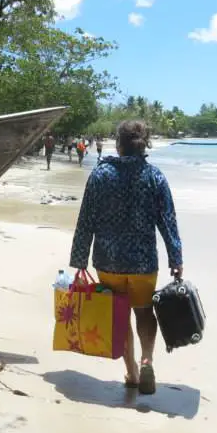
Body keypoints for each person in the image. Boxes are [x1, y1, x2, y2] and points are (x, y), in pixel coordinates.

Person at [69, 120, 183, 395]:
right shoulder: (154, 176)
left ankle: (131, 371)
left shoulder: (100, 175)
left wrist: (80, 258)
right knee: (143, 311)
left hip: (108, 260)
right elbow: (167, 221)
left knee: (118, 315)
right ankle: (147, 360)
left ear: (118, 144)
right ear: (145, 145)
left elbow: (86, 219)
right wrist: (175, 257)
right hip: (144, 262)